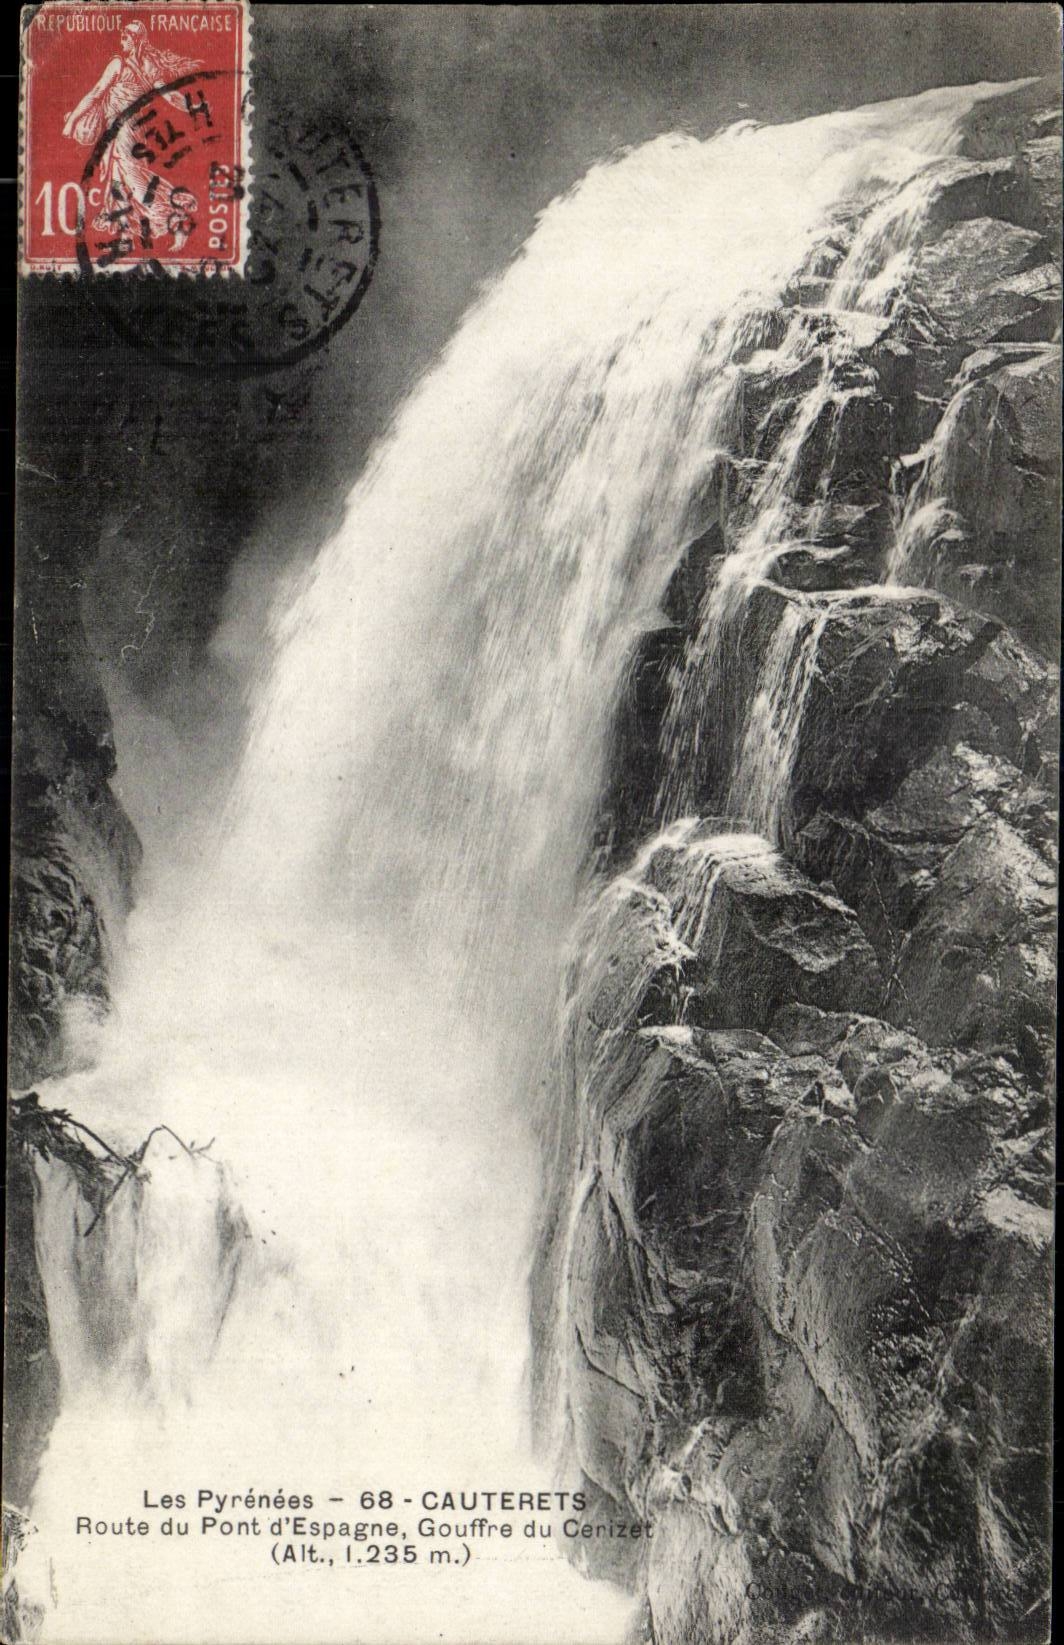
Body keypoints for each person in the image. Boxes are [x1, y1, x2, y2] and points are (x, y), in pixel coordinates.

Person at [61, 22, 203, 254]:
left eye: (126, 38)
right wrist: (192, 108)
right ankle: (126, 236)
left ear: (136, 40)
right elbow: (169, 96)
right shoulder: (147, 66)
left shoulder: (120, 64)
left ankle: (176, 219)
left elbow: (95, 94)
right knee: (118, 183)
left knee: (136, 184)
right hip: (128, 132)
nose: (122, 42)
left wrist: (70, 123)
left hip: (125, 132)